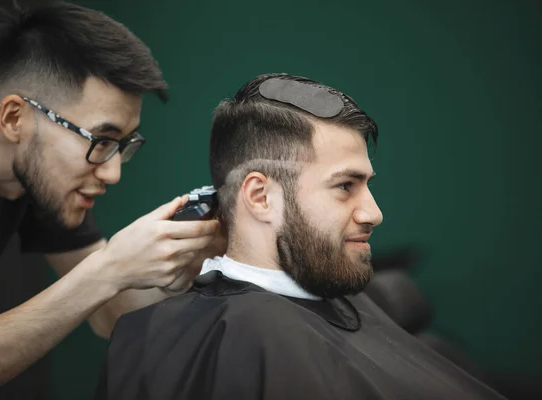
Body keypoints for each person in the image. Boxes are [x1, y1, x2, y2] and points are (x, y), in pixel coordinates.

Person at [96, 73, 507, 400]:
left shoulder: (333, 299)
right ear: (260, 197)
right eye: (346, 185)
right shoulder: (242, 337)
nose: (374, 213)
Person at [0, 2, 225, 399]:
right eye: (100, 141)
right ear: (13, 119)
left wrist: (183, 261)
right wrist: (108, 270)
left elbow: (114, 314)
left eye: (122, 145)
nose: (112, 173)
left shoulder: (33, 174)